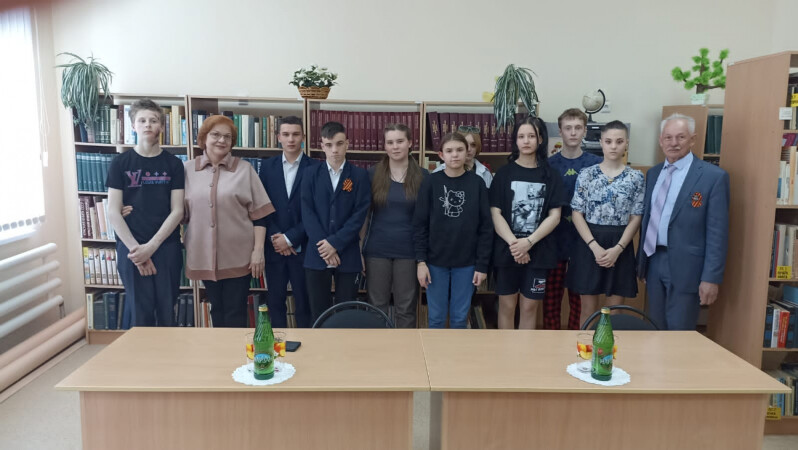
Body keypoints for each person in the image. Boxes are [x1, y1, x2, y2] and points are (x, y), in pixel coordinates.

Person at [637, 113, 730, 330]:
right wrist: (642, 263)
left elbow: (718, 233)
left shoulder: (713, 177)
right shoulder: (654, 173)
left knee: (680, 333)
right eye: (668, 137)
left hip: (688, 267)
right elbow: (648, 219)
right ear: (661, 141)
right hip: (654, 261)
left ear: (693, 139)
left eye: (681, 137)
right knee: (654, 329)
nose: (674, 143)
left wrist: (711, 278)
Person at [183, 115, 274, 327]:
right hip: (203, 254)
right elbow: (177, 211)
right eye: (216, 135)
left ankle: (236, 349)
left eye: (227, 137)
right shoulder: (187, 170)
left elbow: (260, 215)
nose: (222, 140)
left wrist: (258, 251)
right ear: (204, 138)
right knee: (216, 308)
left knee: (235, 311)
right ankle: (220, 348)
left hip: (239, 256)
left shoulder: (245, 169)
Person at [106, 98, 185, 327]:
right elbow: (113, 211)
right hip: (131, 247)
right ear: (133, 125)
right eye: (142, 120)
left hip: (166, 247)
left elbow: (178, 210)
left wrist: (150, 248)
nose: (148, 124)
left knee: (166, 312)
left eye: (153, 120)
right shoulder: (120, 163)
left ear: (161, 126)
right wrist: (137, 251)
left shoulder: (174, 164)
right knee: (140, 315)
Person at [490, 115, 567, 329]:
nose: (526, 141)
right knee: (506, 306)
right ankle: (505, 350)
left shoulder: (551, 175)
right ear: (515, 140)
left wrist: (529, 242)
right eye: (521, 136)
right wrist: (515, 244)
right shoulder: (503, 174)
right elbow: (495, 213)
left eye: (531, 136)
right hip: (508, 250)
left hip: (539, 251)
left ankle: (525, 350)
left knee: (529, 307)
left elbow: (555, 216)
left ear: (540, 139)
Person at [567, 121, 644, 326]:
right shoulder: (587, 174)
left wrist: (618, 249)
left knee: (614, 311)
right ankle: (585, 346)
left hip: (620, 244)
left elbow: (636, 216)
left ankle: (609, 347)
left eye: (619, 141)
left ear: (626, 143)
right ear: (601, 143)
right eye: (608, 141)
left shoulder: (636, 177)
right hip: (590, 243)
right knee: (588, 309)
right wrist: (594, 246)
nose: (613, 146)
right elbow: (577, 213)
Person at [414, 132, 492, 329]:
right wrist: (421, 262)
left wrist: (482, 265)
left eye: (459, 150)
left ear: (468, 153)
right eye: (449, 151)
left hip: (467, 263)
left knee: (459, 318)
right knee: (436, 318)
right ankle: (435, 351)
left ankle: (457, 351)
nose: (455, 155)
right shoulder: (431, 182)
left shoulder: (477, 183)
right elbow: (420, 224)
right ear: (441, 155)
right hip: (434, 263)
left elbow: (486, 227)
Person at [301, 121, 371, 323]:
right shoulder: (310, 174)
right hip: (317, 252)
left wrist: (335, 243)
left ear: (347, 144)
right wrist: (325, 247)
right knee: (318, 312)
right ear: (322, 146)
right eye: (329, 145)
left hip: (347, 252)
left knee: (346, 312)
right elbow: (307, 212)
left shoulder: (359, 175)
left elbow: (359, 214)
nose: (334, 150)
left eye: (339, 144)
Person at [363, 123, 427, 328]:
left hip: (409, 252)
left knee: (405, 309)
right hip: (376, 251)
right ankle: (379, 348)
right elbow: (364, 216)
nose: (395, 146)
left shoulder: (424, 177)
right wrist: (359, 249)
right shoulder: (372, 174)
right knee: (376, 307)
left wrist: (423, 259)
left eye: (400, 141)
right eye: (390, 142)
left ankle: (405, 348)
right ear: (385, 146)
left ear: (410, 143)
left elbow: (426, 220)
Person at [544, 108, 602, 330]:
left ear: (585, 131)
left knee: (580, 304)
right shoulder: (549, 165)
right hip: (554, 242)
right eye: (568, 128)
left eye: (578, 128)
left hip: (584, 243)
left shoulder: (596, 165)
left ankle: (577, 344)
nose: (573, 132)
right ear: (560, 131)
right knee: (551, 303)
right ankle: (551, 344)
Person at [259, 116, 316, 328]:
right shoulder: (267, 167)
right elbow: (262, 204)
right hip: (274, 247)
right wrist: (278, 238)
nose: (291, 139)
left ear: (303, 137)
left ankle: (306, 343)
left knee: (304, 304)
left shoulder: (315, 167)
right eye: (286, 134)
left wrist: (290, 238)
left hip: (304, 248)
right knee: (275, 303)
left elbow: (316, 211)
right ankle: (277, 345)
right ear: (278, 137)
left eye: (295, 134)